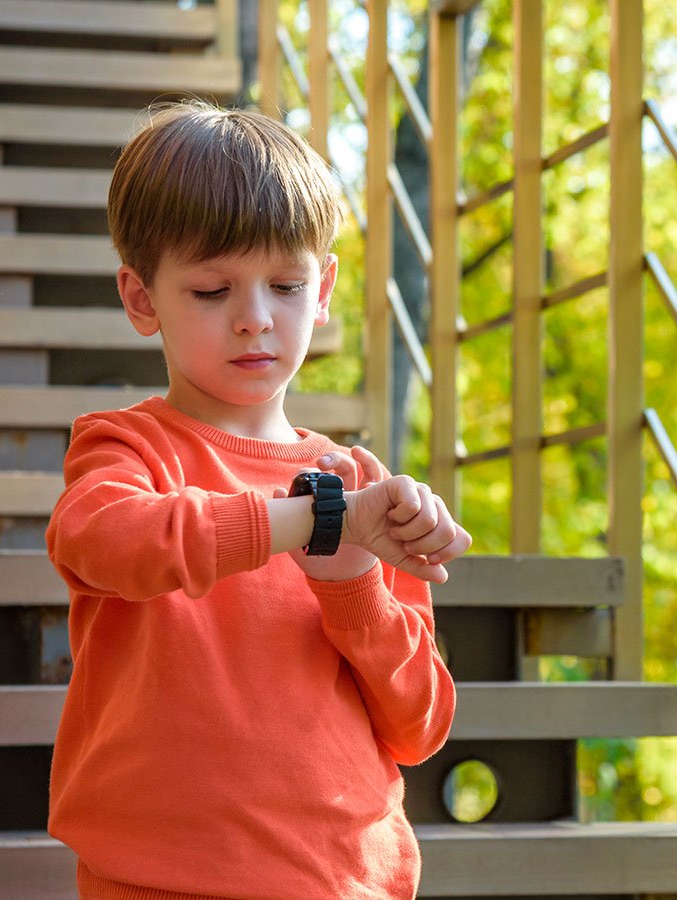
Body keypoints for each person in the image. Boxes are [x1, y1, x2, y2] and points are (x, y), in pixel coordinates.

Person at [44, 98, 466, 900]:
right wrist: (310, 521)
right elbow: (104, 541)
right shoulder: (125, 449)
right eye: (211, 291)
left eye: (284, 284)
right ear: (141, 299)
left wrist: (351, 584)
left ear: (324, 289)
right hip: (154, 879)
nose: (254, 320)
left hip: (341, 880)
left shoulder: (358, 483)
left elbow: (419, 724)